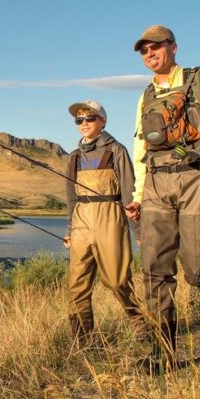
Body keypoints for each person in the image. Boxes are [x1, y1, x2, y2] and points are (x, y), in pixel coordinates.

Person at [123, 25, 200, 374]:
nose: (150, 54)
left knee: (199, 267)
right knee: (154, 270)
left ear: (174, 47)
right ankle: (161, 351)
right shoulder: (145, 95)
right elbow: (139, 149)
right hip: (156, 185)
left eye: (156, 47)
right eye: (144, 50)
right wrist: (138, 194)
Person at [62, 99, 143, 347]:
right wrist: (70, 231)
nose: (84, 123)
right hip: (81, 222)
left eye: (90, 118)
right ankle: (83, 340)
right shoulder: (73, 157)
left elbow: (130, 193)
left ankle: (142, 326)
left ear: (103, 121)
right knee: (77, 285)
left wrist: (138, 231)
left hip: (111, 217)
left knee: (117, 280)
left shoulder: (116, 150)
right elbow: (70, 198)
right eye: (79, 120)